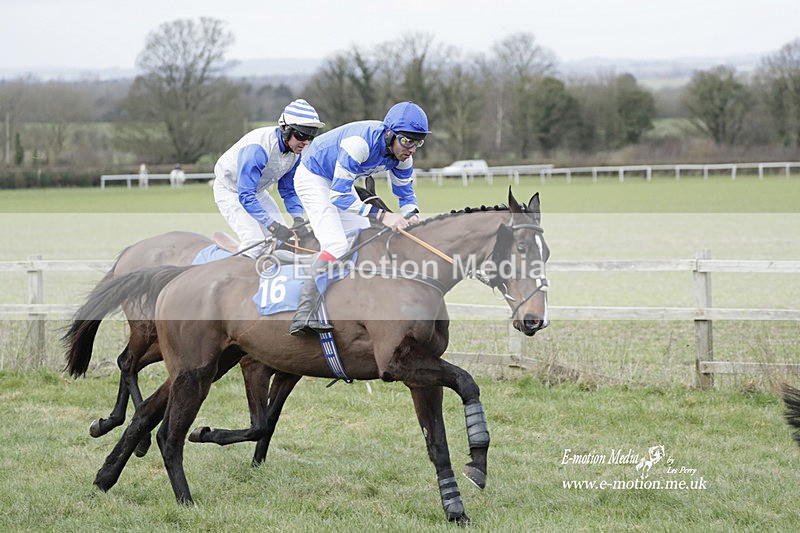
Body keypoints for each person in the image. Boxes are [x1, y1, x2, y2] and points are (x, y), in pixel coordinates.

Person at [289, 101, 430, 336]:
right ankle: (303, 315)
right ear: (389, 134)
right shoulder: (360, 143)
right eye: (407, 140)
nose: (412, 148)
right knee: (336, 244)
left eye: (418, 142)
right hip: (313, 176)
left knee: (364, 234)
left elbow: (405, 194)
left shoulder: (404, 156)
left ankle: (350, 297)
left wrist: (413, 215)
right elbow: (339, 195)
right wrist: (383, 215)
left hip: (337, 182)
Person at [213, 99, 324, 258]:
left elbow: (289, 190)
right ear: (285, 128)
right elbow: (245, 196)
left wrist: (298, 217)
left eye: (310, 136)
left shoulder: (295, 153)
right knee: (254, 244)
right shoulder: (257, 149)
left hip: (257, 192)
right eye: (301, 135)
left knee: (286, 242)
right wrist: (272, 226)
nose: (305, 142)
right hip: (231, 192)